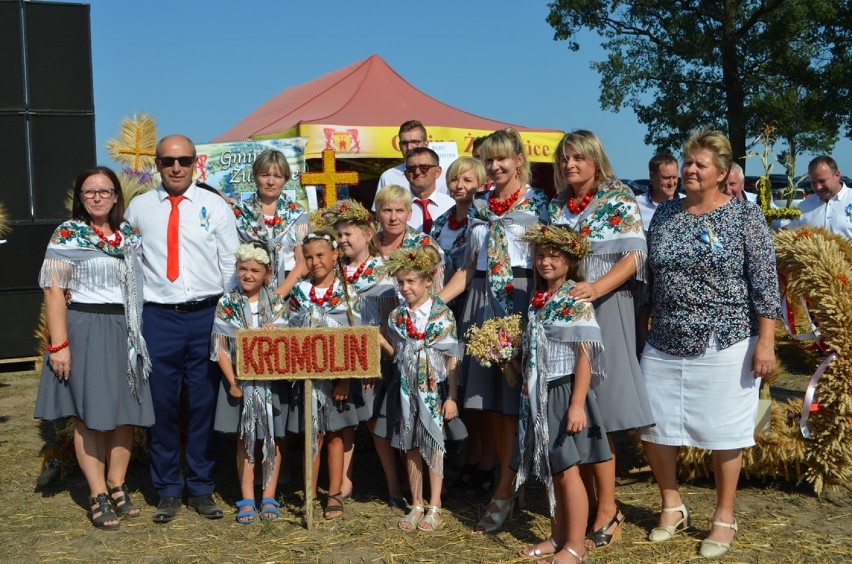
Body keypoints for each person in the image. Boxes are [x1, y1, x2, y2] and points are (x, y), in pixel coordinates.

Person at [640, 128, 780, 559]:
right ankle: (671, 505)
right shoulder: (665, 215)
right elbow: (651, 277)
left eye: (700, 164)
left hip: (727, 339)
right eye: (687, 163)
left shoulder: (743, 216)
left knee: (724, 432)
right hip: (664, 336)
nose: (690, 170)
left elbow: (765, 282)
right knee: (654, 425)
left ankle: (724, 516)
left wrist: (767, 341)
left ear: (722, 173)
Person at [439, 128, 550, 532]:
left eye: (503, 158)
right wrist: (437, 301)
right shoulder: (481, 205)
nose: (496, 165)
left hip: (521, 299)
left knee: (517, 402)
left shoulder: (539, 204)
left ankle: (510, 486)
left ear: (520, 160)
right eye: (489, 159)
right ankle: (507, 484)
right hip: (482, 303)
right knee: (495, 407)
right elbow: (469, 268)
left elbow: (549, 261)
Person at [125, 134, 239, 523]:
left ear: (195, 163)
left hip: (207, 315)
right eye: (169, 161)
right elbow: (131, 266)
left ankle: (203, 487)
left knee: (204, 401)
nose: (177, 167)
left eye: (184, 160)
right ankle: (169, 488)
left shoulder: (214, 206)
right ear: (157, 164)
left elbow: (230, 264)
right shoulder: (139, 208)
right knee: (164, 404)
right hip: (160, 317)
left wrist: (225, 316)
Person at [549, 129, 653, 550]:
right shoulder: (557, 206)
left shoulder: (618, 197)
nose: (570, 165)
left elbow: (634, 255)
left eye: (577, 158)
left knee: (601, 406)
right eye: (564, 159)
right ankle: (591, 502)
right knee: (579, 405)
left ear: (595, 160)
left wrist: (596, 287)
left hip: (605, 306)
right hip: (568, 309)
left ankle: (609, 509)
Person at [35, 166, 154, 529]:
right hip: (86, 326)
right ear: (81, 198)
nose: (98, 197)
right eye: (90, 192)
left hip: (127, 328)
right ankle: (97, 491)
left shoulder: (130, 234)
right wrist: (60, 345)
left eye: (105, 190)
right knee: (89, 414)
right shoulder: (69, 233)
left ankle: (118, 485)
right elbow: (54, 290)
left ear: (117, 196)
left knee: (124, 412)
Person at [514, 223, 611, 564]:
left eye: (554, 256)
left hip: (563, 390)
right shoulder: (539, 299)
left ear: (570, 261)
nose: (545, 262)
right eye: (540, 256)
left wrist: (576, 405)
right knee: (553, 470)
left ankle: (576, 546)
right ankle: (558, 535)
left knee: (569, 472)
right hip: (541, 392)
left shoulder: (573, 298)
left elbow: (585, 354)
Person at [322, 200, 399, 505]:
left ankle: (394, 485)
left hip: (373, 359)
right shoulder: (334, 272)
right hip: (339, 359)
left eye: (348, 233)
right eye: (338, 235)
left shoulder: (383, 273)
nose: (342, 240)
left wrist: (371, 357)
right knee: (344, 421)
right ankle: (342, 484)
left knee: (374, 423)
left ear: (368, 234)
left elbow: (389, 321)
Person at [382, 246, 462, 532]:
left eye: (411, 281)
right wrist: (381, 342)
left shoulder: (442, 315)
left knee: (434, 444)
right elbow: (399, 354)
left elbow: (452, 357)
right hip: (407, 386)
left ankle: (435, 503)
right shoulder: (397, 318)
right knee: (411, 444)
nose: (405, 288)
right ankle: (416, 501)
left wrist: (452, 396)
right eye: (401, 282)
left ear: (428, 281)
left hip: (434, 387)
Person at [211, 242, 289, 524]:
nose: (248, 274)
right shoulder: (227, 302)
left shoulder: (277, 303)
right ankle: (247, 498)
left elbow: (289, 342)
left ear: (267, 274)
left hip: (272, 384)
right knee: (245, 439)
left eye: (255, 270)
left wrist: (276, 334)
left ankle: (269, 494)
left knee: (273, 438)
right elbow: (220, 347)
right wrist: (232, 381)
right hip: (240, 382)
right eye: (242, 269)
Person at [286, 229, 361, 520]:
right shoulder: (300, 291)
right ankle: (309, 494)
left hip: (336, 379)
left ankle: (334, 493)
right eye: (308, 257)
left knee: (334, 435)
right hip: (307, 377)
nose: (315, 262)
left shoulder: (348, 292)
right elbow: (289, 328)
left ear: (334, 255)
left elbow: (357, 339)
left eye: (320, 255)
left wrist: (345, 378)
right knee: (311, 437)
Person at [430, 156, 488, 491]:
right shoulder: (440, 223)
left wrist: (439, 301)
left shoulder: (482, 219)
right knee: (457, 384)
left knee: (475, 383)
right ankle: (468, 455)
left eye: (466, 179)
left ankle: (484, 459)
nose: (459, 186)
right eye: (453, 180)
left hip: (472, 303)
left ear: (480, 182)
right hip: (444, 310)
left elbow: (470, 268)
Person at [232, 149, 309, 296]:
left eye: (277, 176)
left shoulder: (297, 213)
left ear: (285, 179)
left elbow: (303, 262)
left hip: (290, 289)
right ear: (255, 176)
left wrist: (278, 296)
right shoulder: (239, 212)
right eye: (265, 175)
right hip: (249, 290)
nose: (271, 182)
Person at [374, 184, 445, 288]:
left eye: (399, 211)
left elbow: (437, 288)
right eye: (387, 210)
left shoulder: (423, 243)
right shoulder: (368, 244)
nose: (393, 217)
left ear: (409, 214)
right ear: (377, 214)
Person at [375, 120, 449, 200]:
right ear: (399, 146)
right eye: (404, 143)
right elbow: (380, 210)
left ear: (426, 144)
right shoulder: (389, 177)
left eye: (414, 142)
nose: (409, 147)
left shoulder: (445, 176)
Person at [787, 155, 852, 238]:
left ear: (837, 175)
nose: (818, 187)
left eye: (822, 181)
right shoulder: (803, 207)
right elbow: (790, 236)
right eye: (813, 182)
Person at [403, 147, 454, 233]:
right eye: (411, 168)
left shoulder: (451, 205)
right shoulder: (396, 208)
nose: (417, 172)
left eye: (424, 167)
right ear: (406, 174)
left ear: (438, 172)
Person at [636, 153, 682, 230]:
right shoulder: (636, 206)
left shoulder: (688, 203)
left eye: (674, 177)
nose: (671, 183)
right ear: (652, 176)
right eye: (666, 178)